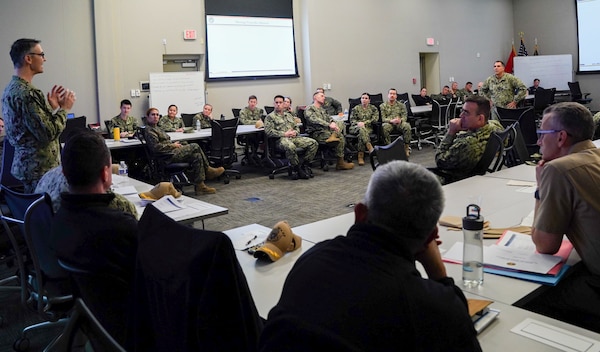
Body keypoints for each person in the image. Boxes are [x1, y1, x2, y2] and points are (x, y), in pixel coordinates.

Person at [259, 161, 481, 351]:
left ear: (359, 214)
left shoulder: (313, 258)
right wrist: (439, 274)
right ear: (431, 236)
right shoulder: (427, 304)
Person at [50, 130, 137, 345]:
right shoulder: (122, 227)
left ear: (63, 172)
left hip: (96, 323)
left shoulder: (57, 219)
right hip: (133, 327)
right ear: (106, 174)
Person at [528, 102, 600, 332]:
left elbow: (545, 245)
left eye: (542, 134)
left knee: (533, 298)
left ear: (561, 137)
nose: (538, 141)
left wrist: (540, 190)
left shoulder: (557, 169)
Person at [2, 38, 76, 193]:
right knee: (43, 215)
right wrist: (64, 109)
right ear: (28, 58)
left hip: (28, 167)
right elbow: (47, 133)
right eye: (41, 54)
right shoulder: (28, 93)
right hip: (40, 170)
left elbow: (30, 126)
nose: (44, 59)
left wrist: (51, 108)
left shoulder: (11, 89)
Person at [144, 107, 224, 195]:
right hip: (166, 156)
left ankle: (200, 186)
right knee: (195, 146)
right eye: (153, 115)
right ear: (147, 117)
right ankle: (208, 170)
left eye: (157, 115)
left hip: (170, 151)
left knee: (196, 156)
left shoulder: (157, 128)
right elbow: (156, 147)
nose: (155, 117)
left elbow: (164, 141)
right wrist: (172, 146)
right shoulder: (149, 130)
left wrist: (174, 144)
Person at [432, 95, 503, 184]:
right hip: (474, 178)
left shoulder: (467, 144)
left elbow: (440, 161)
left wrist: (451, 132)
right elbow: (506, 141)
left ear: (480, 118)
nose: (461, 115)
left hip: (453, 181)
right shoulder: (495, 127)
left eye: (466, 113)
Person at [35, 164, 138, 215]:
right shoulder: (83, 190)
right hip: (77, 249)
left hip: (45, 244)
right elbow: (131, 213)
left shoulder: (47, 177)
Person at [264, 95, 317, 179]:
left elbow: (297, 127)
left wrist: (295, 132)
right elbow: (268, 132)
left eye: (280, 102)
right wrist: (284, 134)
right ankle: (296, 169)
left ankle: (304, 165)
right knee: (290, 146)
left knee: (313, 143)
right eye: (276, 102)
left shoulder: (289, 115)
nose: (278, 104)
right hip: (281, 140)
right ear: (273, 104)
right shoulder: (270, 117)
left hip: (293, 138)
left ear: (283, 103)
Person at [305, 91, 354, 170]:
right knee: (340, 136)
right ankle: (340, 162)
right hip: (317, 133)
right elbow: (313, 119)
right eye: (321, 96)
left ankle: (340, 162)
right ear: (315, 97)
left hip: (327, 131)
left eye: (324, 96)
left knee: (340, 124)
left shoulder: (322, 110)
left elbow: (329, 118)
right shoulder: (309, 108)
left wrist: (333, 123)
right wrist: (328, 124)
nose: (324, 97)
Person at [380, 88, 412, 156]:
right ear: (388, 95)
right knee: (384, 128)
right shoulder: (382, 106)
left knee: (407, 126)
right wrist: (391, 121)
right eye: (390, 94)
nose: (392, 95)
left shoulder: (401, 105)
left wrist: (400, 120)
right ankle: (389, 148)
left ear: (396, 96)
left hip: (399, 123)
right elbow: (383, 118)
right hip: (389, 123)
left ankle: (406, 148)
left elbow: (404, 116)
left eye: (394, 94)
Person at [349, 93, 377, 165]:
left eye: (366, 98)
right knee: (361, 129)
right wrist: (358, 123)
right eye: (362, 98)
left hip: (368, 128)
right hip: (355, 128)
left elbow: (375, 119)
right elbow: (352, 120)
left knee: (361, 134)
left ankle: (360, 156)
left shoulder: (373, 108)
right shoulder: (356, 108)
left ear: (369, 100)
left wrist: (365, 123)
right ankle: (369, 147)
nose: (364, 100)